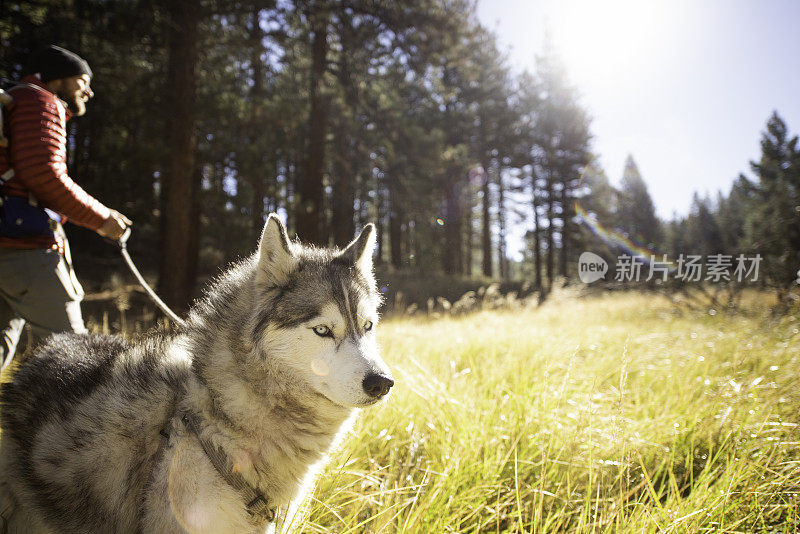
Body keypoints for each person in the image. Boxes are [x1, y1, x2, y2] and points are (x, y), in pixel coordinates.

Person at [0, 45, 131, 369]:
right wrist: (102, 219)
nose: (88, 90)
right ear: (58, 80)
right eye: (82, 80)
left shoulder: (15, 102)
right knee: (74, 360)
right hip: (28, 251)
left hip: (7, 244)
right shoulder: (40, 100)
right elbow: (43, 174)